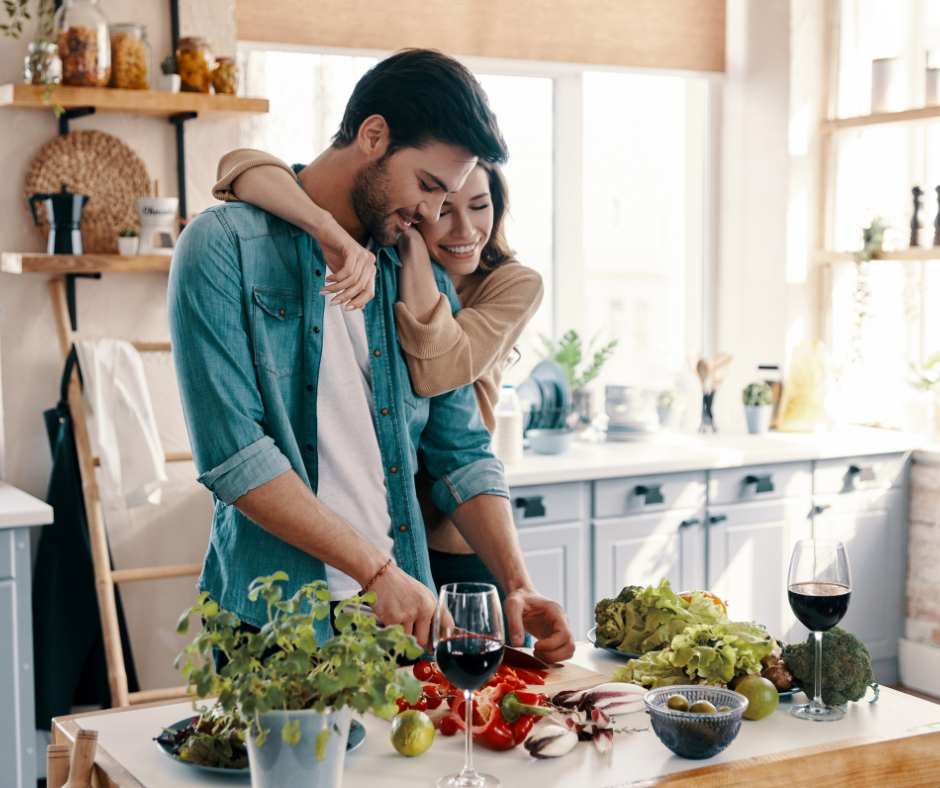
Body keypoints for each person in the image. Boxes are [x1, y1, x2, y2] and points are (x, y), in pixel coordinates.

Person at [168, 48, 574, 663]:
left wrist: (518, 583)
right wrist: (376, 573)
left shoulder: (412, 272)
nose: (434, 216)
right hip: (277, 624)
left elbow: (459, 449)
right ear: (374, 135)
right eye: (429, 187)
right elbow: (236, 460)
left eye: (451, 197)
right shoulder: (224, 247)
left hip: (402, 621)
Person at [212, 150, 542, 597]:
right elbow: (243, 166)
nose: (464, 229)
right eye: (441, 206)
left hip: (456, 533)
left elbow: (440, 379)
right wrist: (326, 228)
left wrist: (413, 252)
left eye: (480, 206)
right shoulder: (369, 255)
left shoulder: (508, 283)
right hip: (386, 543)